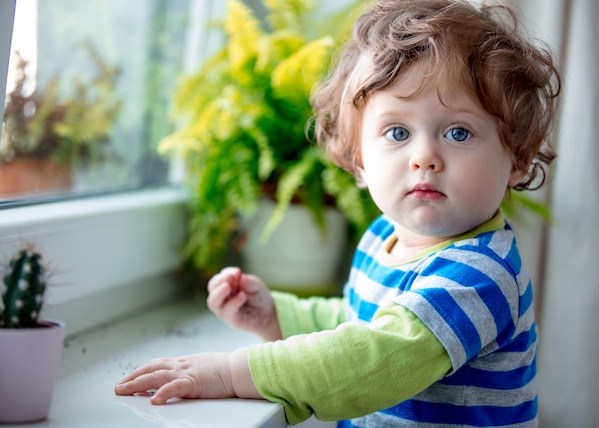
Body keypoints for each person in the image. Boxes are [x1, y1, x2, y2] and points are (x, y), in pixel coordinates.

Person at [115, 0, 561, 426]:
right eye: (398, 131)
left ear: (517, 158)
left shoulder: (481, 274)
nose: (424, 157)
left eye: (459, 132)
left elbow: (373, 357)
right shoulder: (383, 237)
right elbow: (357, 323)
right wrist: (277, 317)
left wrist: (233, 373)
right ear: (360, 160)